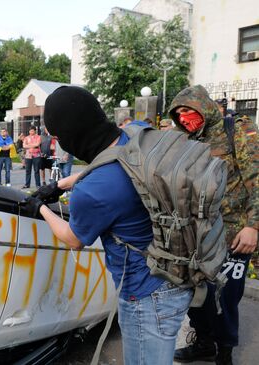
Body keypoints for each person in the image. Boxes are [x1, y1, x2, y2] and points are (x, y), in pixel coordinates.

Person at [24, 86, 192, 365]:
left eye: (58, 136)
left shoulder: (93, 191)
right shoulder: (135, 133)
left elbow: (74, 238)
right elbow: (114, 163)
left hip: (146, 294)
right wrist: (62, 184)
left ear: (70, 134)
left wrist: (40, 207)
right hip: (178, 270)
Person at [169, 85, 258, 365]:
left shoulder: (238, 131)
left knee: (226, 297)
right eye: (179, 113)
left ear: (204, 107)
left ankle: (226, 351)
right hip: (196, 235)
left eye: (188, 110)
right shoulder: (185, 141)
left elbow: (257, 179)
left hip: (234, 234)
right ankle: (205, 343)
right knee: (197, 295)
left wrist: (254, 226)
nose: (184, 117)